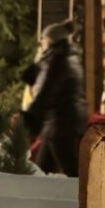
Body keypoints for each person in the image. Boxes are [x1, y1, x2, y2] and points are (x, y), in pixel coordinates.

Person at [22, 20, 87, 177]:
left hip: (60, 125)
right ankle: (42, 198)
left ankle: (89, 199)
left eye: (43, 40)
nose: (41, 43)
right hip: (65, 124)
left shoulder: (56, 62)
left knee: (72, 173)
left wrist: (27, 119)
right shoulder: (71, 58)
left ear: (50, 41)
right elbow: (30, 77)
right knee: (43, 170)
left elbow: (45, 93)